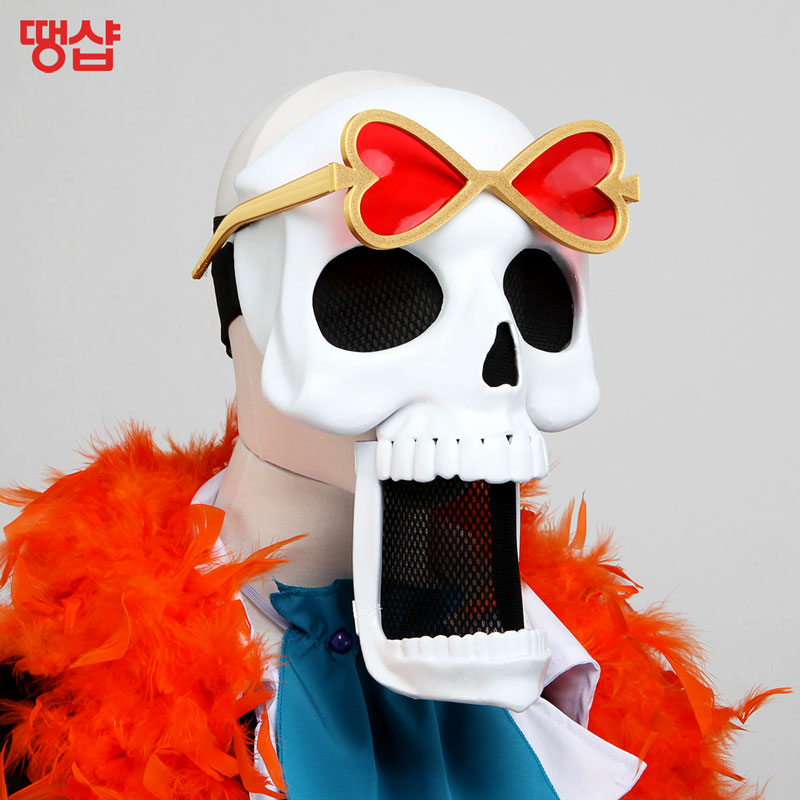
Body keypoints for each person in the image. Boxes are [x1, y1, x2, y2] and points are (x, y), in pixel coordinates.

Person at [1, 72, 782, 800]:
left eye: (531, 291)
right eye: (381, 286)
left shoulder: (606, 686)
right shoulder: (64, 714)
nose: (496, 368)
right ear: (248, 308)